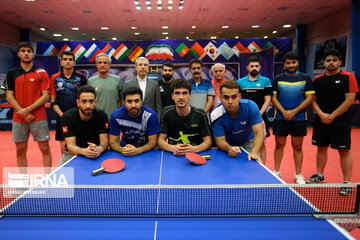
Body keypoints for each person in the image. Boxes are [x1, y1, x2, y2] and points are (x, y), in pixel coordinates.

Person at [307, 50, 359, 195]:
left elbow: (349, 100)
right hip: (321, 120)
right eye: (328, 60)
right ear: (324, 63)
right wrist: (322, 114)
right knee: (321, 148)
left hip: (340, 121)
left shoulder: (348, 77)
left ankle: (347, 182)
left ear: (339, 62)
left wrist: (332, 116)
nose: (331, 62)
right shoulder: (317, 80)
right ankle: (319, 175)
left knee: (344, 150)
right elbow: (313, 100)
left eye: (334, 60)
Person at [5, 42, 52, 173]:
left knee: (44, 148)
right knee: (20, 150)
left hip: (39, 117)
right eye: (23, 51)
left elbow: (45, 96)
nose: (26, 53)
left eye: (29, 51)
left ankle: (48, 179)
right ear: (19, 54)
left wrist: (27, 110)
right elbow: (9, 95)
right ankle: (24, 183)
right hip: (19, 118)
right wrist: (24, 113)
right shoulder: (11, 73)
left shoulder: (41, 73)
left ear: (33, 54)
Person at [272, 52, 314, 184]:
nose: (291, 65)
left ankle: (298, 173)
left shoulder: (306, 78)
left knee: (297, 146)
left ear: (298, 63)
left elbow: (309, 98)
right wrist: (285, 112)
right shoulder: (278, 78)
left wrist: (293, 112)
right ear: (284, 64)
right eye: (288, 63)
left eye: (293, 62)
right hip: (280, 117)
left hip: (299, 118)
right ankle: (277, 171)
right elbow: (273, 98)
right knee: (279, 145)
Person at [210, 81, 264, 162]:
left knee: (252, 166)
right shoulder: (215, 115)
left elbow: (259, 133)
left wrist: (255, 152)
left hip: (248, 141)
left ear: (239, 96)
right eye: (226, 97)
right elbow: (220, 141)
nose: (230, 101)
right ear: (220, 98)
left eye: (234, 97)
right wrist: (229, 148)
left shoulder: (250, 106)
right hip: (228, 144)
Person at [158, 78, 212, 155]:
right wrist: (173, 148)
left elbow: (208, 141)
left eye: (184, 93)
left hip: (196, 155)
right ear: (172, 96)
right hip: (173, 157)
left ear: (190, 95)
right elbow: (160, 141)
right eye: (177, 93)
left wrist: (194, 149)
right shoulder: (166, 113)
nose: (181, 97)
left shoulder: (200, 114)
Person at [59, 85, 109, 166]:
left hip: (97, 154)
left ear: (96, 102)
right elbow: (70, 146)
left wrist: (99, 149)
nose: (88, 106)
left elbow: (105, 143)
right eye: (84, 101)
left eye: (91, 101)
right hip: (72, 154)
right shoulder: (67, 117)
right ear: (78, 103)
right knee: (60, 178)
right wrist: (84, 151)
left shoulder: (102, 115)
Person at [50, 51, 87, 154]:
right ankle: (66, 169)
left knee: (80, 146)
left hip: (79, 117)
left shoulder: (81, 78)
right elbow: (53, 101)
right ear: (61, 62)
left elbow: (84, 99)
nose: (68, 62)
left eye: (70, 59)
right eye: (65, 59)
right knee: (64, 148)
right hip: (62, 118)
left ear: (74, 62)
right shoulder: (55, 78)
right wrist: (63, 115)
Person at [237, 56, 272, 164]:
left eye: (256, 66)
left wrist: (257, 114)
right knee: (245, 142)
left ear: (260, 67)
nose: (254, 68)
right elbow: (239, 100)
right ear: (247, 68)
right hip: (244, 118)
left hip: (261, 118)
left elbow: (268, 100)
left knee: (261, 144)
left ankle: (264, 167)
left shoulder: (266, 81)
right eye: (252, 66)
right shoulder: (240, 82)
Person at [109, 87, 160, 156]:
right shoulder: (116, 116)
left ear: (142, 101)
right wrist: (123, 150)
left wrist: (138, 151)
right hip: (125, 148)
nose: (133, 105)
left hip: (146, 152)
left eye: (136, 101)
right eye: (129, 101)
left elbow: (152, 143)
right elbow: (112, 142)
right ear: (124, 102)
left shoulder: (151, 116)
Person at [88, 53, 123, 119]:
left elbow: (122, 99)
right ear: (96, 65)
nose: (102, 65)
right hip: (96, 118)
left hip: (114, 117)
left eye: (105, 62)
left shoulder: (117, 79)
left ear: (109, 65)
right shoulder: (91, 81)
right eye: (100, 62)